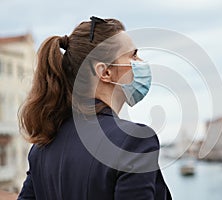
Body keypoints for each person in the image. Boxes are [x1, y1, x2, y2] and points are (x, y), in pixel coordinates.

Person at [17, 16, 172, 200]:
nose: (141, 61)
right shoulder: (134, 141)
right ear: (105, 72)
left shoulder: (41, 149)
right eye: (133, 54)